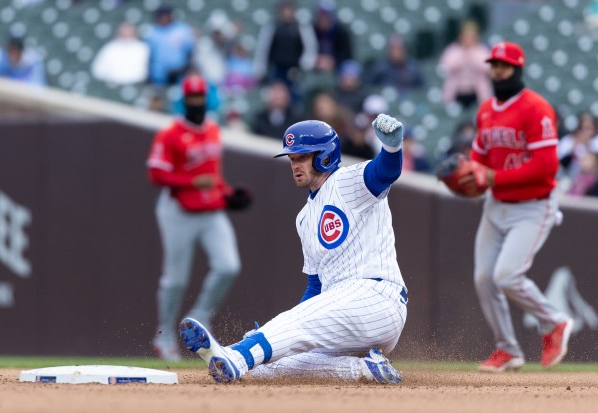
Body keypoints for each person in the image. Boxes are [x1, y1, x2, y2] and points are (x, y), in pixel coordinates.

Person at [179, 113, 409, 384]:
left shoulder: (348, 181)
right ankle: (365, 369)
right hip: (341, 312)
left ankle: (236, 355)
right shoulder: (304, 217)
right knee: (272, 367)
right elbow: (315, 288)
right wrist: (285, 331)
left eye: (301, 157)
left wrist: (392, 147)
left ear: (324, 155)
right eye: (291, 158)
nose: (294, 164)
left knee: (266, 346)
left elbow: (385, 172)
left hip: (376, 299)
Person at [463, 41, 574, 373]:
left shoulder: (536, 108)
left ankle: (554, 322)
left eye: (504, 65)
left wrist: (493, 177)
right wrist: (468, 177)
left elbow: (545, 167)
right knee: (484, 278)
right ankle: (507, 349)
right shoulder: (484, 110)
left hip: (533, 205)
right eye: (494, 64)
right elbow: (478, 160)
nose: (498, 70)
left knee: (507, 276)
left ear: (518, 69)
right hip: (497, 205)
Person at [146, 75, 243, 360]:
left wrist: (228, 195)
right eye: (192, 98)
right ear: (184, 101)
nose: (197, 103)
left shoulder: (213, 129)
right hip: (177, 209)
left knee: (228, 266)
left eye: (200, 98)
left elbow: (213, 175)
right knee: (175, 279)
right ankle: (163, 335)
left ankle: (200, 317)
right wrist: (190, 182)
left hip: (210, 209)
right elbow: (156, 173)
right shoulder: (170, 133)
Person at [252, 0, 317, 99]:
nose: (286, 12)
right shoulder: (272, 27)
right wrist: (261, 70)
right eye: (284, 9)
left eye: (289, 9)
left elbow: (310, 47)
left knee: (295, 97)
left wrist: (303, 66)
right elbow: (263, 49)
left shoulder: (302, 27)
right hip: (277, 69)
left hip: (295, 70)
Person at [438, 20, 492, 109]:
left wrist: (471, 54)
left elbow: (487, 67)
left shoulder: (482, 50)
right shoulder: (453, 49)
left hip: (477, 93)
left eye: (471, 36)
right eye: (466, 36)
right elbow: (446, 67)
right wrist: (463, 55)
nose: (468, 39)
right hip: (456, 92)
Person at [145, 5, 195, 87]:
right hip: (158, 77)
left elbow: (190, 51)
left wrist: (185, 68)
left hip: (179, 75)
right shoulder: (152, 32)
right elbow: (148, 56)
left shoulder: (182, 29)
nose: (164, 18)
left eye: (166, 15)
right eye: (162, 16)